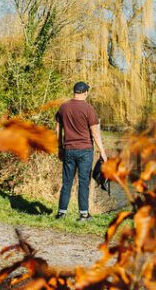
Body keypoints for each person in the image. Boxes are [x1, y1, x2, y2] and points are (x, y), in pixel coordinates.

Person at [54, 81, 108, 221]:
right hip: (85, 151)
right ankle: (84, 214)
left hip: (69, 150)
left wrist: (60, 147)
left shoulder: (63, 107)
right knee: (84, 182)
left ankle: (61, 213)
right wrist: (102, 151)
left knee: (67, 182)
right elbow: (95, 132)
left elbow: (57, 129)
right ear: (85, 93)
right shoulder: (89, 109)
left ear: (74, 92)